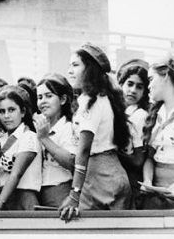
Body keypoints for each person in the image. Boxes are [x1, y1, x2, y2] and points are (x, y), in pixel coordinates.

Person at [59, 43, 131, 221]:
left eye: (75, 65)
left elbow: (83, 150)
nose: (70, 71)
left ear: (89, 69)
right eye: (69, 65)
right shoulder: (102, 97)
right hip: (108, 175)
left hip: (102, 180)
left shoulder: (91, 100)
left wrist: (74, 195)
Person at [140, 57, 174, 209]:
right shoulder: (156, 114)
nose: (148, 86)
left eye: (151, 79)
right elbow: (150, 157)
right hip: (155, 193)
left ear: (166, 75)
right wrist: (147, 181)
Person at [0, 87, 41, 211]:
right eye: (2, 111)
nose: (6, 116)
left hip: (23, 198)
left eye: (12, 110)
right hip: (4, 197)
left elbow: (16, 174)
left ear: (23, 112)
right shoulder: (0, 139)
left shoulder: (29, 137)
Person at [32, 74, 76, 207]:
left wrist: (44, 138)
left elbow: (71, 161)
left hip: (60, 189)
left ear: (63, 99)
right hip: (40, 190)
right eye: (40, 97)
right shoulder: (39, 126)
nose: (43, 101)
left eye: (49, 96)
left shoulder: (68, 127)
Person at [116, 59, 149, 208]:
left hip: (131, 180)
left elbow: (137, 160)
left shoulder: (139, 116)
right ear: (121, 84)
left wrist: (112, 153)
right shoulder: (117, 112)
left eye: (139, 87)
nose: (133, 90)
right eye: (130, 84)